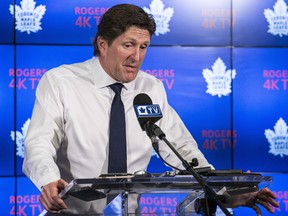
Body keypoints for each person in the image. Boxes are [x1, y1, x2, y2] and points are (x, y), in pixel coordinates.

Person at [23, 3, 279, 215]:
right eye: (128, 45)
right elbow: (39, 143)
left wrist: (228, 193)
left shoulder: (150, 89)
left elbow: (183, 150)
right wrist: (48, 179)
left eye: (143, 46)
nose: (137, 56)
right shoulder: (60, 82)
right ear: (103, 44)